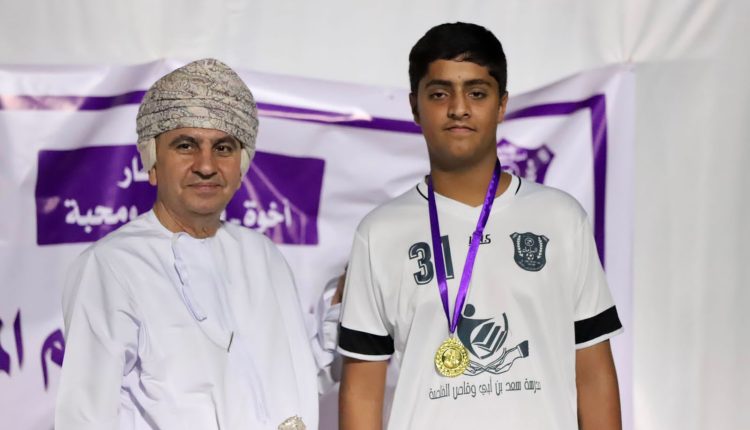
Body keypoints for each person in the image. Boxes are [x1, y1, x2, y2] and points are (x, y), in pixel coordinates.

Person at [337, 22, 623, 429]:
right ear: (415, 107)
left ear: (501, 104)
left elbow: (594, 375)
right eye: (439, 94)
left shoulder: (561, 219)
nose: (459, 108)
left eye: (477, 92)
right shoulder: (379, 233)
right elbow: (361, 390)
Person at [55, 58, 337, 430]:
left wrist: (339, 316)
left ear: (241, 166)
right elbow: (85, 418)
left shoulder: (262, 255)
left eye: (223, 148)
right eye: (186, 145)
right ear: (152, 162)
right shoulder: (112, 266)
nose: (206, 165)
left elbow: (292, 383)